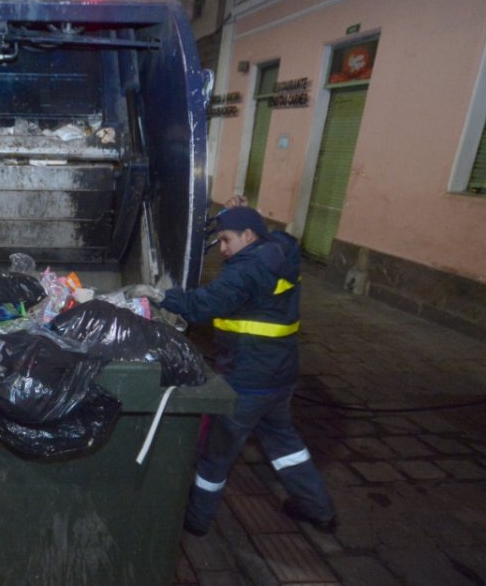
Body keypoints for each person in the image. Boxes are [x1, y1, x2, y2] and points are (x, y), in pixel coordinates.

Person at [136, 198, 336, 537]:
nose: (223, 249)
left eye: (227, 240)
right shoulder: (278, 253)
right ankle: (320, 510)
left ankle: (196, 521)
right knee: (286, 446)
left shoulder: (247, 268)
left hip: (247, 378)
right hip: (280, 375)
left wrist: (160, 296)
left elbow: (204, 305)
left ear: (248, 234)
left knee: (216, 454)